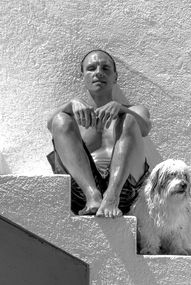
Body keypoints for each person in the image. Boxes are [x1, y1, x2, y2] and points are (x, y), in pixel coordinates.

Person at [46, 49, 151, 218]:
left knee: (129, 120)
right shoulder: (74, 116)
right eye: (91, 68)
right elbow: (51, 125)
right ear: (83, 76)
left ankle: (111, 197)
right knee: (60, 119)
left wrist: (121, 109)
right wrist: (70, 104)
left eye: (105, 68)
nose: (98, 73)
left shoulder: (133, 110)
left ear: (115, 77)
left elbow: (145, 128)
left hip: (124, 191)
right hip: (81, 193)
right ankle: (93, 196)